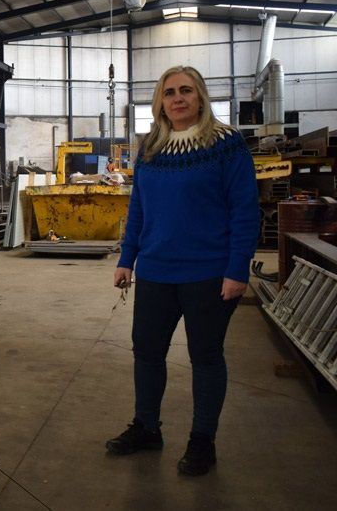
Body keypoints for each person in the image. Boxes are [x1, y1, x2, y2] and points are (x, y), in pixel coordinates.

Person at [108, 66, 258, 476]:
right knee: (147, 352)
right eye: (169, 92)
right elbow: (138, 209)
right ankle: (147, 427)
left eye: (186, 91)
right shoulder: (151, 148)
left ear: (200, 97)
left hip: (209, 274)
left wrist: (237, 269)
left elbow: (245, 211)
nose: (178, 98)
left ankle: (202, 441)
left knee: (206, 357)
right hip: (156, 272)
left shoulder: (226, 145)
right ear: (160, 101)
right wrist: (127, 259)